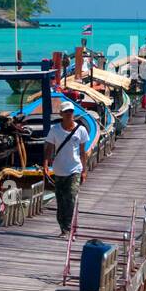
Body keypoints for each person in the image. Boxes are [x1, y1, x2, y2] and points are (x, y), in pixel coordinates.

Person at [44, 101, 91, 236]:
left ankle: (68, 227)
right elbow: (49, 148)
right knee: (60, 200)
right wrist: (46, 164)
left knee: (70, 196)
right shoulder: (55, 130)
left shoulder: (80, 130)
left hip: (74, 169)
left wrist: (84, 170)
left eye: (71, 111)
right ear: (61, 114)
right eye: (66, 112)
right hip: (59, 170)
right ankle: (63, 226)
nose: (69, 114)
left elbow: (83, 152)